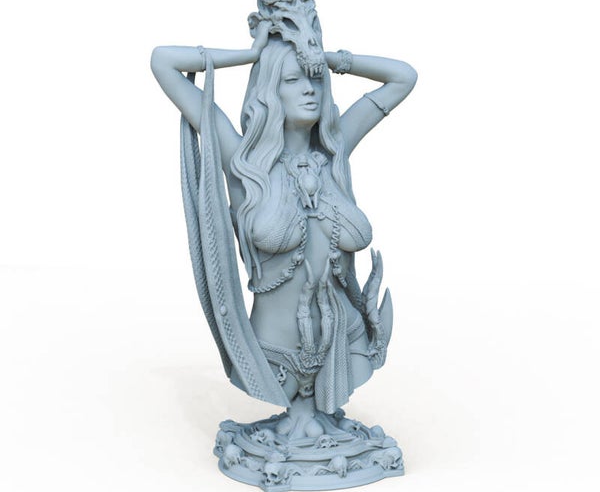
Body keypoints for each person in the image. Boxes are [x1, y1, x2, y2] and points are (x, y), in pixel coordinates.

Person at [151, 22, 417, 416]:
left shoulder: (334, 152)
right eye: (293, 79)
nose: (310, 89)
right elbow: (164, 62)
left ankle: (315, 425)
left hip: (347, 343)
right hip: (272, 355)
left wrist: (323, 58)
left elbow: (403, 77)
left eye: (316, 80)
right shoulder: (244, 163)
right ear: (269, 90)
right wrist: (252, 55)